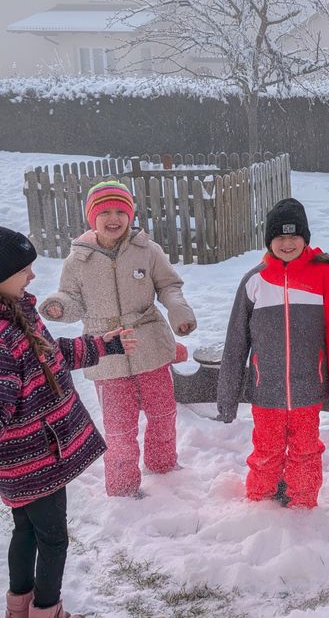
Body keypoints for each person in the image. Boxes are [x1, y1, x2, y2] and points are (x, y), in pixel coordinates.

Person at [1, 226, 136, 618]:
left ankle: (19, 607)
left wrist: (101, 344)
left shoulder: (16, 315)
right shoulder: (3, 337)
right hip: (34, 461)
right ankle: (47, 610)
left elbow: (48, 354)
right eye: (23, 269)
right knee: (54, 539)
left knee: (25, 530)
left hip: (24, 462)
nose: (32, 276)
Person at [39, 181, 196, 498]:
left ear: (131, 214)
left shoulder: (147, 250)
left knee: (163, 414)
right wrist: (60, 306)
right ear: (91, 219)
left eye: (120, 211)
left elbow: (168, 285)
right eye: (105, 212)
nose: (113, 218)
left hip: (149, 345)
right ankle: (124, 489)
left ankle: (163, 469)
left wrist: (178, 309)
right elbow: (72, 298)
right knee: (120, 428)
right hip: (105, 353)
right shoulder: (78, 261)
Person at [217, 198, 329, 508]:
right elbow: (236, 341)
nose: (287, 243)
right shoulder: (254, 281)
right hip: (267, 391)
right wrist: (227, 396)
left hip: (308, 390)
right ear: (269, 240)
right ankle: (260, 504)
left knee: (306, 451)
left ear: (305, 237)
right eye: (280, 236)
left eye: (294, 236)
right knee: (266, 452)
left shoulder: (322, 277)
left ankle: (302, 506)